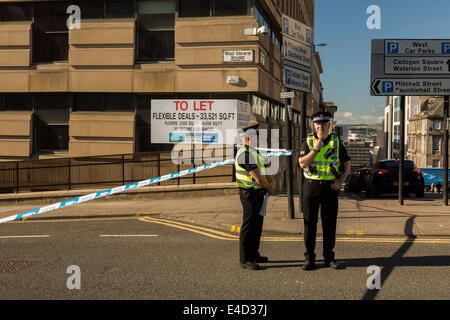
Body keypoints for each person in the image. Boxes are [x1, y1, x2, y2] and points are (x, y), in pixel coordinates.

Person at [298, 112, 351, 271]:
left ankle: (329, 258)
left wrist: (341, 182)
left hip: (330, 188)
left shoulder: (336, 142)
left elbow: (347, 163)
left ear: (329, 125)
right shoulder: (308, 141)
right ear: (314, 125)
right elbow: (302, 163)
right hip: (311, 186)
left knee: (329, 224)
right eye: (317, 124)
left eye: (324, 124)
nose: (320, 126)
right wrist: (314, 150)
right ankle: (309, 259)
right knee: (310, 224)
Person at [235, 121, 275, 270]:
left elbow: (266, 165)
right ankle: (245, 258)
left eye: (256, 135)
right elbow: (257, 177)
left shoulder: (253, 151)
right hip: (249, 194)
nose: (256, 138)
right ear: (245, 138)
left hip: (258, 194)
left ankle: (254, 253)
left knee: (257, 225)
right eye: (253, 135)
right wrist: (269, 187)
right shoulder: (245, 154)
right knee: (249, 226)